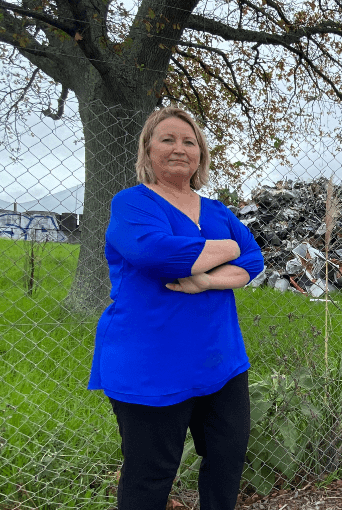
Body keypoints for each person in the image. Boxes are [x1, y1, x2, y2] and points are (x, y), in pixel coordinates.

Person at [87, 106, 264, 510]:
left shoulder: (217, 210)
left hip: (221, 360)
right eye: (167, 139)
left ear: (200, 154)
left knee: (227, 457)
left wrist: (206, 279)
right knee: (151, 474)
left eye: (189, 141)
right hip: (151, 363)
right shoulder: (133, 203)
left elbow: (253, 262)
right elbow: (158, 254)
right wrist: (229, 247)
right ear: (148, 151)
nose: (179, 148)